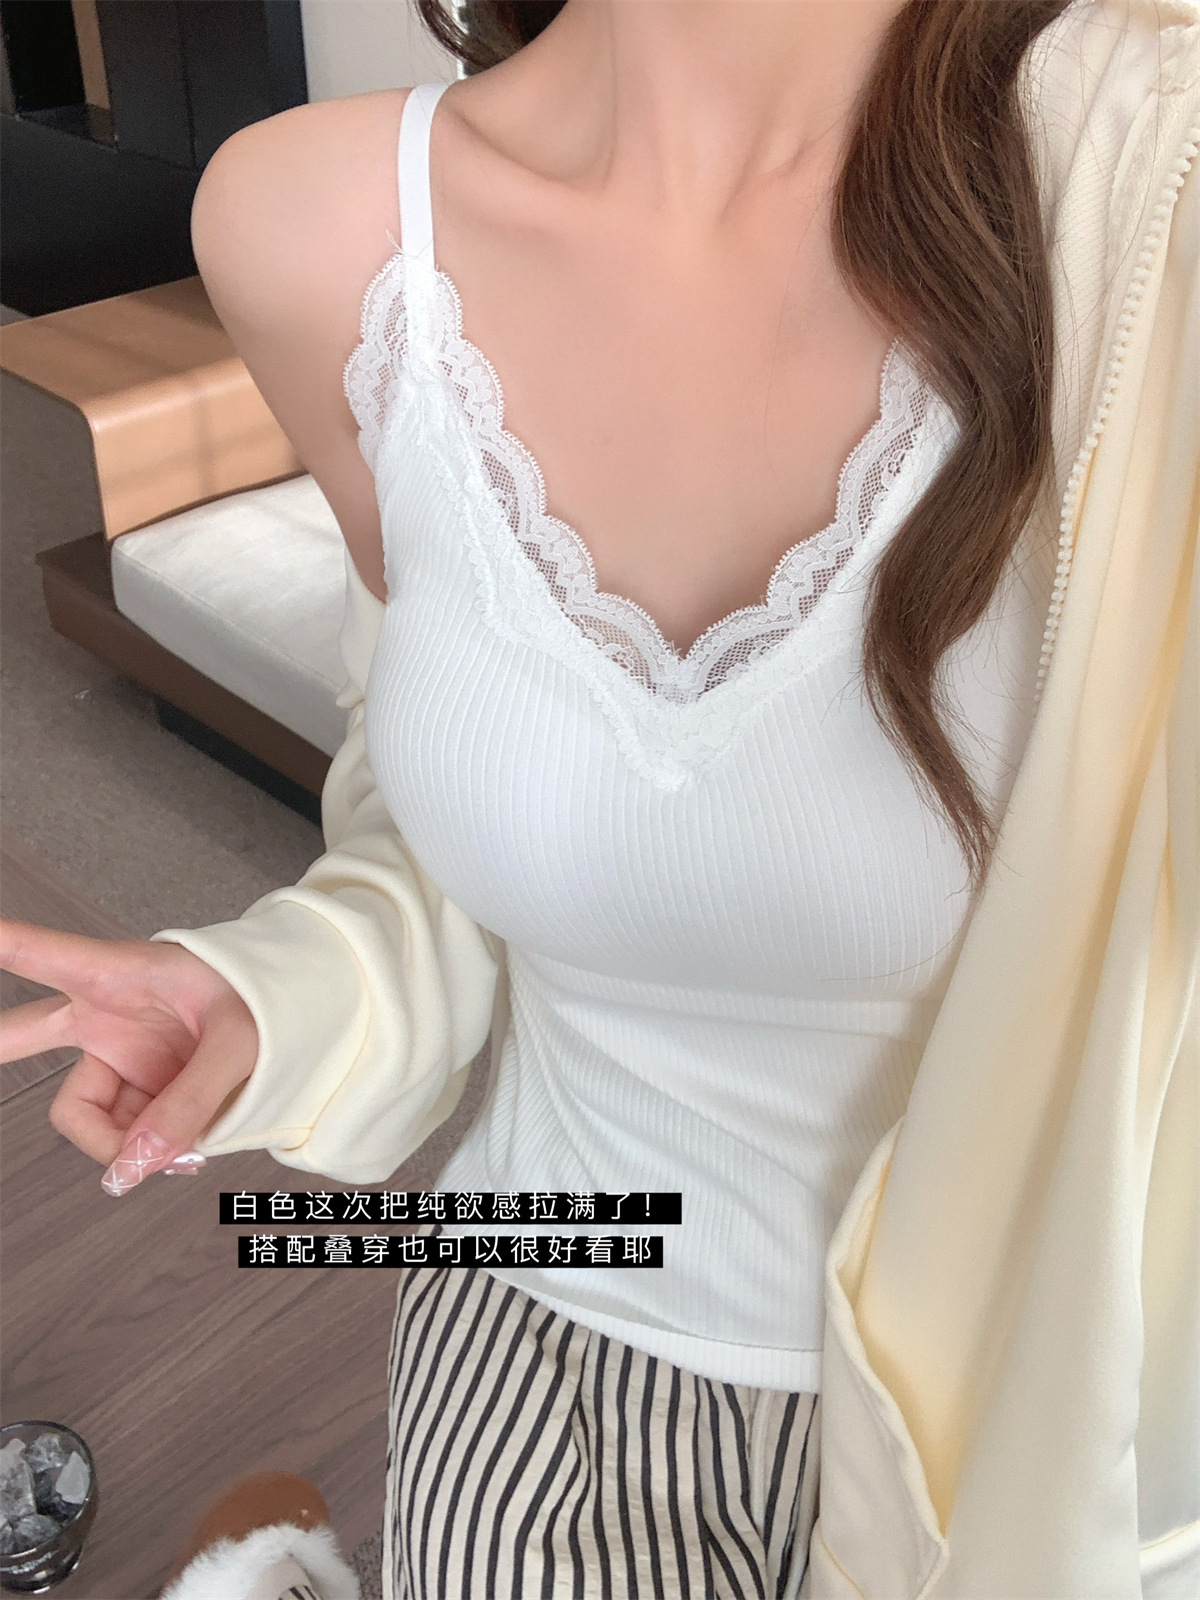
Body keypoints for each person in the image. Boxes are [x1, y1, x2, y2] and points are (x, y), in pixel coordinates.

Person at [2, 1, 1196, 1596]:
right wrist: (294, 986)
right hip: (535, 1342)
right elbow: (452, 803)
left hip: (1037, 1455)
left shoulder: (1153, 204)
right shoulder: (317, 224)